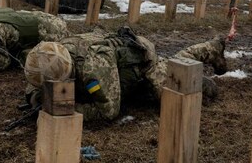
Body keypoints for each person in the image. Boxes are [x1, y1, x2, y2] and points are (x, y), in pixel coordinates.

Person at [24, 27, 227, 121]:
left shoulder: (93, 67)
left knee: (178, 85)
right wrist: (37, 98)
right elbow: (39, 82)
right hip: (120, 75)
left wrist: (64, 108)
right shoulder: (48, 54)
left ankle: (212, 48)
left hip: (144, 64)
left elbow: (108, 111)